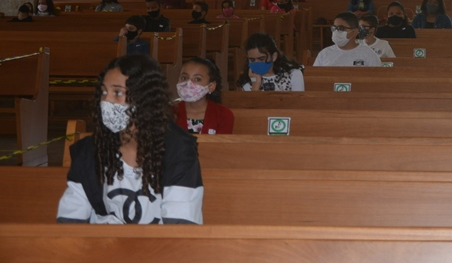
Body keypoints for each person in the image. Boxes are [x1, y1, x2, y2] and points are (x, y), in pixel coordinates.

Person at [57, 54, 204, 224]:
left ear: (144, 100)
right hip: (102, 240)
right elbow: (70, 220)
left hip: (160, 241)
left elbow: (180, 225)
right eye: (103, 92)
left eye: (118, 92)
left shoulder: (177, 150)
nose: (106, 100)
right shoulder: (90, 150)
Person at [173, 57, 233, 135]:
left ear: (211, 86)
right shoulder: (169, 112)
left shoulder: (223, 115)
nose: (189, 83)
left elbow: (222, 142)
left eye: (197, 79)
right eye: (184, 78)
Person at [236, 33, 305, 91]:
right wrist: (255, 85)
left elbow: (298, 101)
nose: (257, 62)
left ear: (274, 56)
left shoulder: (293, 74)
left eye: (262, 58)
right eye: (252, 60)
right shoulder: (247, 80)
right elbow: (251, 103)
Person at [313, 12, 383, 67]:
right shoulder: (324, 54)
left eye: (341, 28)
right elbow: (314, 77)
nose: (336, 32)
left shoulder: (368, 54)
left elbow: (378, 77)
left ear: (354, 32)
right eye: (334, 28)